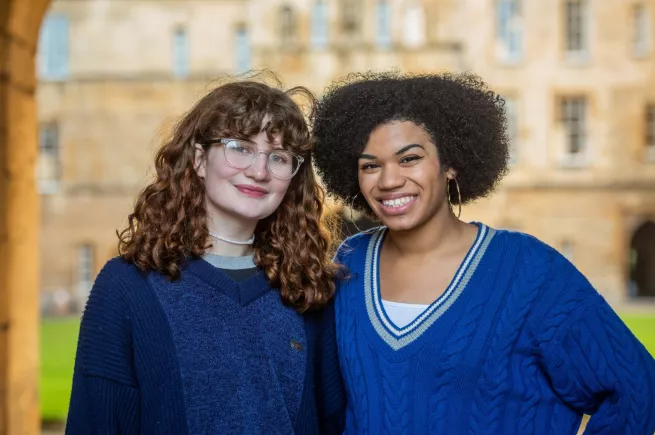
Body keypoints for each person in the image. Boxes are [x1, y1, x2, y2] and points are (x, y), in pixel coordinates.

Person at [311, 71, 655, 434]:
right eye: (370, 165)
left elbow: (636, 390)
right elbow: (330, 408)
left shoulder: (529, 270)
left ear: (450, 164)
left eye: (409, 158)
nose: (389, 180)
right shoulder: (349, 264)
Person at [66, 77, 345, 434]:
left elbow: (335, 423)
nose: (259, 171)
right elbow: (96, 423)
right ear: (199, 160)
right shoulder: (126, 287)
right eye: (240, 147)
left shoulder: (311, 289)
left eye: (278, 157)